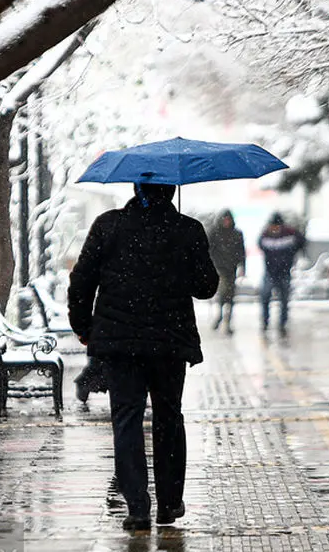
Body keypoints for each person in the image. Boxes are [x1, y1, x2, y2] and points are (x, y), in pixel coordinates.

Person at [68, 182, 219, 531]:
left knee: (126, 420)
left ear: (137, 189)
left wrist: (84, 327)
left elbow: (82, 280)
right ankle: (169, 502)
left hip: (121, 346)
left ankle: (137, 506)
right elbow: (206, 287)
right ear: (171, 191)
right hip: (169, 345)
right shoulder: (187, 229)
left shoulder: (109, 225)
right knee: (168, 417)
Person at [258, 211, 306, 337]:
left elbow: (301, 242)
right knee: (265, 297)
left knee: (284, 299)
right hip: (270, 272)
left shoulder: (290, 234)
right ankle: (265, 321)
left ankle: (282, 323)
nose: (275, 229)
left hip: (284, 272)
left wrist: (291, 256)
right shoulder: (266, 234)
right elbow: (261, 245)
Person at [207, 209, 246, 333]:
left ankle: (226, 319)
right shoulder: (215, 233)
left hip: (231, 268)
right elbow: (209, 249)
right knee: (223, 292)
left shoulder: (236, 234)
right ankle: (220, 317)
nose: (226, 222)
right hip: (219, 268)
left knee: (230, 295)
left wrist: (242, 267)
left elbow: (241, 252)